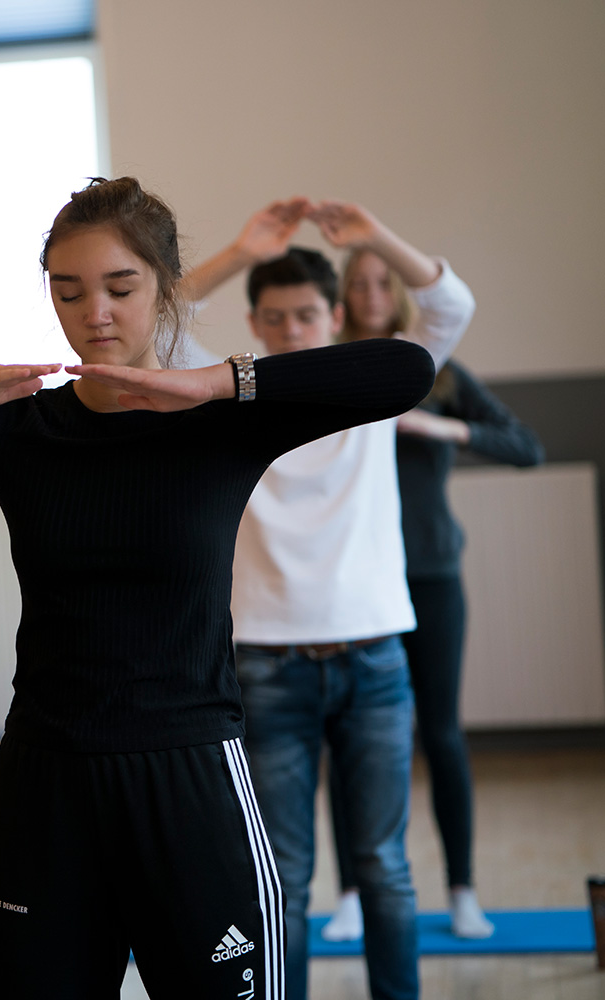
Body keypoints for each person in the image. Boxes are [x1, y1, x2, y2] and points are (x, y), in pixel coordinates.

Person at [0, 176, 438, 999]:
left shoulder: (222, 422)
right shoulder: (20, 427)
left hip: (190, 779)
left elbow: (405, 369)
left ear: (163, 288)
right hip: (45, 786)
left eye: (121, 288)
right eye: (69, 291)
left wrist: (215, 382)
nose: (96, 313)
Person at [183, 199, 475, 1000]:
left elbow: (453, 306)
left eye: (306, 315)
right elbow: (164, 320)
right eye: (273, 318)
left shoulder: (376, 387)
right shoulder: (228, 400)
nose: (290, 331)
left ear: (336, 315)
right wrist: (244, 247)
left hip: (375, 659)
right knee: (279, 875)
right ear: (255, 321)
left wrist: (375, 234)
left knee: (384, 865)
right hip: (269, 668)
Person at [319, 248, 543, 942]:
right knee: (346, 740)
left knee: (441, 735)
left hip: (433, 578)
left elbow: (525, 445)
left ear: (402, 292)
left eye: (382, 280)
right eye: (356, 282)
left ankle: (462, 891)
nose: (370, 291)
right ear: (343, 297)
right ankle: (352, 893)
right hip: (355, 584)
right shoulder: (333, 374)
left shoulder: (438, 373)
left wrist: (437, 424)